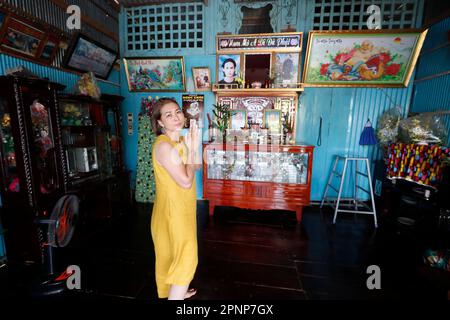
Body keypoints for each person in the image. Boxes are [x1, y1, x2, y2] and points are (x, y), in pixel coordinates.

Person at [150, 97, 201, 300]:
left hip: (180, 208)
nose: (176, 117)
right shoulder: (164, 147)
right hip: (173, 212)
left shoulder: (179, 140)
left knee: (169, 254)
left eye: (178, 111)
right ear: (160, 122)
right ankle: (176, 296)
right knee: (187, 257)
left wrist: (192, 148)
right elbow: (186, 182)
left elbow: (195, 167)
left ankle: (175, 291)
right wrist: (194, 149)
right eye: (168, 115)